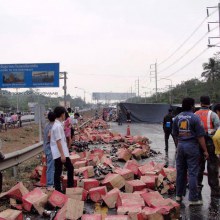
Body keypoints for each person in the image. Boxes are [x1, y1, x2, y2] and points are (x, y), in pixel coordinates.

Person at [172, 97, 208, 205]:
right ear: (192, 106)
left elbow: (175, 135)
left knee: (181, 172)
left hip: (181, 146)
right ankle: (193, 199)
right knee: (192, 173)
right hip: (192, 147)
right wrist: (205, 150)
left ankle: (178, 196)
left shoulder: (177, 118)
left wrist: (178, 147)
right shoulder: (195, 118)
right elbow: (200, 136)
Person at [195, 96, 220, 198]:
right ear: (210, 104)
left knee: (198, 166)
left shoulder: (195, 115)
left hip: (197, 143)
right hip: (210, 143)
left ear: (200, 103)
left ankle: (197, 187)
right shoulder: (213, 114)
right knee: (212, 166)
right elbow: (218, 129)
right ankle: (215, 191)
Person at [50, 106, 74, 192]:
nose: (65, 115)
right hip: (60, 153)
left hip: (59, 153)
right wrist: (63, 155)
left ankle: (58, 190)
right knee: (70, 168)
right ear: (62, 114)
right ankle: (69, 187)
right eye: (64, 113)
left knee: (58, 171)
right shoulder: (57, 126)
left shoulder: (58, 125)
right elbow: (58, 141)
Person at [43, 112, 56, 189]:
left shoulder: (46, 125)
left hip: (46, 147)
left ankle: (51, 182)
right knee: (51, 166)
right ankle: (50, 184)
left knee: (50, 165)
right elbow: (49, 136)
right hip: (50, 148)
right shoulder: (52, 126)